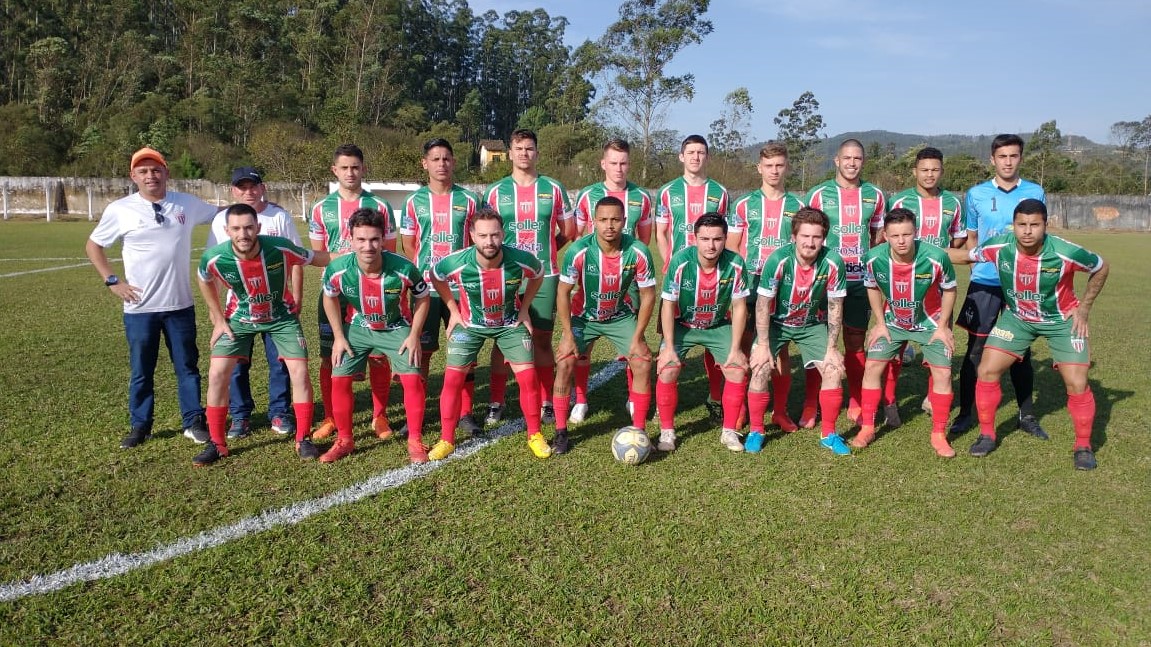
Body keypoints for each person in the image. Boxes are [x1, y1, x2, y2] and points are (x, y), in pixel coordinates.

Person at [948, 199, 1109, 469]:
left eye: (1035, 225)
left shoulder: (1063, 251)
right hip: (1018, 319)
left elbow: (1101, 267)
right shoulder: (1000, 245)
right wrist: (919, 250)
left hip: (1061, 321)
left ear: (1046, 225)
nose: (1027, 231)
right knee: (987, 370)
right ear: (1014, 225)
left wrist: (1085, 309)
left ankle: (1083, 445)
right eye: (1022, 224)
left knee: (1077, 383)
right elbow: (963, 255)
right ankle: (987, 434)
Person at [85, 147, 216, 449]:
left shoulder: (186, 203)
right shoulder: (120, 209)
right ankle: (141, 425)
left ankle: (193, 421)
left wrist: (257, 205)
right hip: (139, 308)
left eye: (155, 170)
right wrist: (112, 281)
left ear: (166, 173)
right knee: (142, 369)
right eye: (143, 171)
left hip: (179, 305)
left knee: (187, 367)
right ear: (133, 176)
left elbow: (223, 215)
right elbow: (93, 246)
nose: (150, 176)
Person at [192, 203, 329, 467]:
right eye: (236, 228)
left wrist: (355, 254)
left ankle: (302, 438)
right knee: (217, 372)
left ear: (258, 227)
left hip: (281, 318)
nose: (243, 233)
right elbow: (204, 278)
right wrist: (218, 318)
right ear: (226, 230)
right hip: (240, 320)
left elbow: (317, 257)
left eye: (248, 227)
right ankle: (217, 443)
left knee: (299, 373)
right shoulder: (214, 257)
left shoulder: (278, 247)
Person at [429, 209, 552, 460]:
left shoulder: (520, 259)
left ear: (503, 233)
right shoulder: (457, 261)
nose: (489, 242)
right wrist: (453, 310)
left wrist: (525, 308)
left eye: (495, 235)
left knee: (528, 378)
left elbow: (538, 274)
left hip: (509, 324)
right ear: (472, 235)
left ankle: (535, 435)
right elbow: (436, 276)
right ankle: (446, 439)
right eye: (483, 235)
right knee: (452, 380)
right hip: (470, 325)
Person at [951, 134, 1047, 439]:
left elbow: (1039, 238)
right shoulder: (976, 194)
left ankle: (1026, 415)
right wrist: (975, 264)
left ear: (1020, 158)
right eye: (1002, 156)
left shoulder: (1035, 191)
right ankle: (966, 414)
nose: (1008, 162)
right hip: (985, 282)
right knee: (975, 350)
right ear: (992, 159)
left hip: (1020, 283)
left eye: (1013, 156)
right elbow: (972, 241)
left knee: (1022, 351)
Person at [483, 129, 576, 427]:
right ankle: (496, 401)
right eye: (519, 148)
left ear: (537, 152)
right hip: (505, 275)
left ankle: (547, 400)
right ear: (510, 152)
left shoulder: (554, 188)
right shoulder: (495, 192)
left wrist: (543, 255)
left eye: (530, 148)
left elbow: (569, 231)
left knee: (542, 338)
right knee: (501, 339)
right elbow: (486, 233)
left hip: (545, 274)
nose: (524, 153)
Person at [323, 208, 431, 464]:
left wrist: (414, 334)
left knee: (412, 377)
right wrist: (339, 336)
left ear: (383, 239)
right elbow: (329, 297)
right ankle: (345, 440)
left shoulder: (403, 267)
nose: (368, 246)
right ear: (351, 240)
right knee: (339, 376)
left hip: (396, 328)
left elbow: (423, 296)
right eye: (361, 239)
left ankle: (415, 440)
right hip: (358, 328)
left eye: (373, 239)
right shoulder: (338, 269)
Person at [552, 196, 657, 454]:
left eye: (615, 219)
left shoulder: (638, 251)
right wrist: (567, 334)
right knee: (565, 360)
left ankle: (639, 430)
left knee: (642, 360)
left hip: (619, 316)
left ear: (624, 221)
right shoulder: (579, 251)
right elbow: (563, 292)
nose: (609, 225)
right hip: (584, 317)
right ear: (593, 222)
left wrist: (638, 337)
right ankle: (561, 431)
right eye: (603, 220)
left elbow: (648, 295)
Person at [308, 144, 398, 443]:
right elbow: (319, 256)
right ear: (335, 170)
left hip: (373, 291)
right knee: (328, 356)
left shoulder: (381, 207)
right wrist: (346, 260)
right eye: (344, 168)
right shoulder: (321, 208)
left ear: (363, 169)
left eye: (355, 167)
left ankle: (379, 416)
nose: (350, 173)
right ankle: (331, 417)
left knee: (377, 354)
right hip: (334, 291)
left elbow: (391, 253)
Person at [205, 167, 303, 439]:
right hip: (239, 308)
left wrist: (297, 296)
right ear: (233, 190)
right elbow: (210, 270)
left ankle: (280, 412)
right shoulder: (221, 221)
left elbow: (296, 259)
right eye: (241, 187)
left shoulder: (279, 216)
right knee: (236, 364)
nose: (248, 192)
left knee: (280, 362)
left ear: (263, 188)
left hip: (277, 307)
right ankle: (240, 416)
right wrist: (217, 319)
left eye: (253, 186)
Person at [853, 208, 958, 457]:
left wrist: (943, 327)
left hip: (930, 323)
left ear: (916, 233)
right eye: (895, 235)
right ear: (886, 236)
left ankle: (939, 434)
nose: (901, 241)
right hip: (893, 321)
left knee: (943, 373)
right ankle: (867, 427)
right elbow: (872, 288)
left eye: (906, 234)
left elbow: (951, 290)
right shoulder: (873, 258)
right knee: (872, 367)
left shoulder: (935, 257)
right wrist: (879, 323)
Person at [399, 138, 485, 435]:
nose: (441, 164)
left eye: (446, 158)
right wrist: (424, 273)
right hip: (426, 290)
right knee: (420, 352)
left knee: (465, 351)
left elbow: (479, 239)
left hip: (463, 290)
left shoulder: (470, 200)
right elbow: (410, 244)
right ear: (425, 163)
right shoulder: (414, 202)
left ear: (454, 162)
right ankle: (418, 413)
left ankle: (465, 412)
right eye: (435, 159)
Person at [567, 138, 656, 423]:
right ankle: (580, 400)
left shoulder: (641, 197)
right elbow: (578, 237)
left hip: (627, 277)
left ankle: (633, 397)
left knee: (635, 345)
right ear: (603, 163)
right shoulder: (587, 195)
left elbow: (643, 241)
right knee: (584, 344)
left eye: (624, 163)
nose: (619, 168)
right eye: (613, 162)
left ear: (630, 164)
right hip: (592, 276)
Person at [748, 207, 850, 455]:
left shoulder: (833, 261)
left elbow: (835, 307)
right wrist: (762, 346)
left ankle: (829, 434)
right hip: (776, 324)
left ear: (823, 238)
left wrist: (832, 348)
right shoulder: (778, 260)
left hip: (811, 325)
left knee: (833, 369)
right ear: (794, 236)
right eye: (805, 236)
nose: (810, 242)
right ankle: (756, 430)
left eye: (816, 237)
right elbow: (762, 305)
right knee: (761, 368)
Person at [806, 139, 886, 427]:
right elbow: (808, 235)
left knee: (854, 341)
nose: (852, 163)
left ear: (863, 161)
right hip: (824, 281)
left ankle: (855, 398)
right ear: (836, 161)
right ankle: (811, 402)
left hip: (859, 282)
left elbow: (878, 237)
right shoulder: (818, 194)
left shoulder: (875, 195)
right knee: (818, 342)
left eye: (858, 158)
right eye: (847, 158)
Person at [655, 135, 734, 422]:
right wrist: (669, 262)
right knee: (670, 334)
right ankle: (662, 404)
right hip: (681, 276)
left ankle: (715, 397)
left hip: (713, 276)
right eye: (690, 152)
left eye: (701, 152)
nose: (695, 157)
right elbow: (661, 233)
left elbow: (727, 235)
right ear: (681, 156)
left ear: (707, 157)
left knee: (714, 332)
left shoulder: (720, 192)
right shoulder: (666, 192)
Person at [729, 142, 807, 436]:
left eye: (779, 165)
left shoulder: (797, 207)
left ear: (787, 167)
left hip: (785, 287)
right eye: (769, 165)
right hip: (750, 285)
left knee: (781, 349)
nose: (774, 171)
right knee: (748, 343)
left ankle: (780, 411)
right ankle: (743, 410)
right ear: (759, 168)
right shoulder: (744, 204)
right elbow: (734, 247)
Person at [655, 213, 749, 453]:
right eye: (705, 238)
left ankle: (729, 431)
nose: (711, 245)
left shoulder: (736, 263)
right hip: (683, 325)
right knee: (668, 368)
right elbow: (667, 305)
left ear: (725, 239)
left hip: (717, 326)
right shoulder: (680, 262)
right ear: (695, 238)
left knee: (737, 370)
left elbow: (739, 307)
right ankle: (667, 431)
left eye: (717, 239)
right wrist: (667, 346)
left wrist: (737, 349)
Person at [887, 147, 967, 419]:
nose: (929, 174)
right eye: (924, 170)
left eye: (935, 169)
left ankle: (933, 398)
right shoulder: (899, 201)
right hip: (900, 283)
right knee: (894, 342)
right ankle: (889, 400)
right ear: (915, 172)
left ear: (942, 171)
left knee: (939, 338)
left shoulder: (953, 203)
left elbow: (956, 241)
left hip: (938, 286)